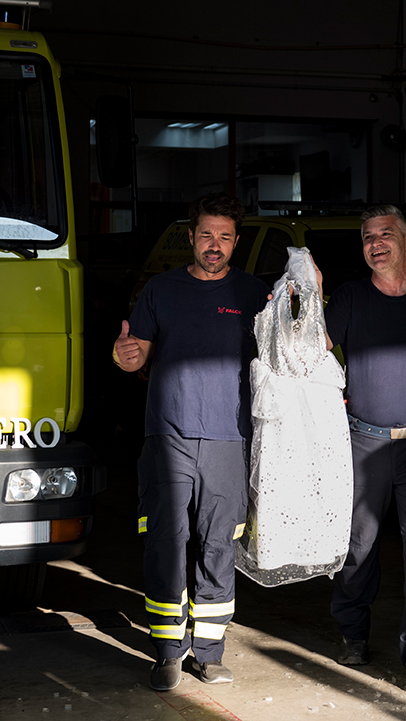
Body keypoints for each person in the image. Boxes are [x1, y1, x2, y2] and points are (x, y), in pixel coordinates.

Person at [112, 192, 268, 691]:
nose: (215, 245)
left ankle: (209, 652)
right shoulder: (162, 290)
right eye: (206, 235)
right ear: (191, 237)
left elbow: (284, 359)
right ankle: (166, 652)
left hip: (229, 438)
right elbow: (137, 356)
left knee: (220, 546)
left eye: (224, 237)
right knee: (165, 542)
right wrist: (126, 357)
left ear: (236, 241)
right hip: (169, 437)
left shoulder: (253, 294)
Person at [322, 204, 406, 690]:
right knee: (359, 545)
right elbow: (311, 351)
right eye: (367, 237)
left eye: (384, 234)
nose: (375, 243)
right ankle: (351, 632)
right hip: (362, 441)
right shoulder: (351, 298)